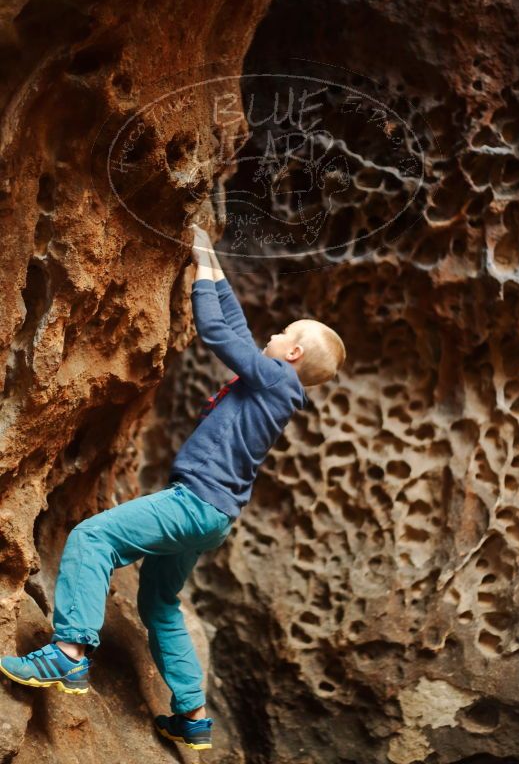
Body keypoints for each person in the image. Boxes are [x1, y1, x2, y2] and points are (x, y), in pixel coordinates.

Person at [0, 224, 346, 751]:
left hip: (194, 504)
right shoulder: (276, 385)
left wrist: (202, 275)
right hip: (214, 520)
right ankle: (192, 716)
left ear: (292, 355)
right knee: (160, 603)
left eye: (281, 334)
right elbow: (237, 325)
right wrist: (209, 258)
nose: (270, 335)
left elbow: (218, 333)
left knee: (93, 539)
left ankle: (67, 655)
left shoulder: (274, 379)